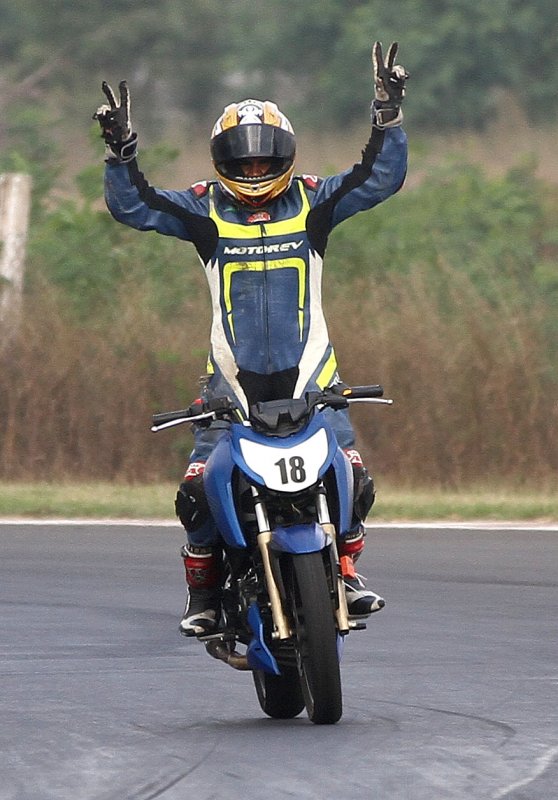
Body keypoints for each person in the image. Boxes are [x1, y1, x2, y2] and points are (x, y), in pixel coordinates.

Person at [94, 41, 408, 636]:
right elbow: (136, 207)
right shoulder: (205, 212)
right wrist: (120, 153)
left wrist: (387, 115)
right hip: (230, 387)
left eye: (266, 163)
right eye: (244, 163)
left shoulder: (315, 202)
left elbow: (378, 179)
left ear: (286, 158)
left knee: (354, 478)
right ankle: (204, 597)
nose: (256, 173)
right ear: (222, 162)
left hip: (314, 377)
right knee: (195, 495)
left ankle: (345, 573)